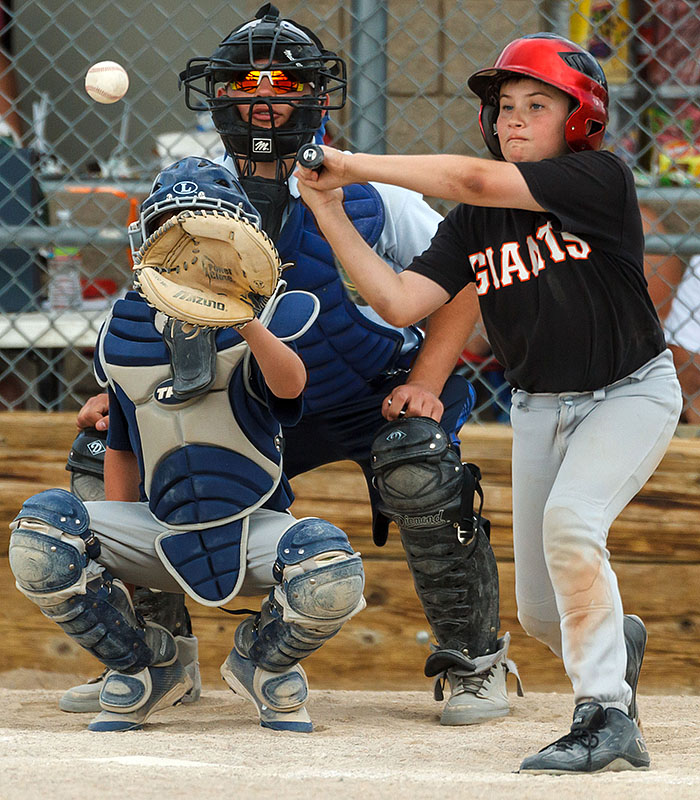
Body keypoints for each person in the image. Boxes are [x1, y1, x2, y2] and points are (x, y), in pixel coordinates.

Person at [62, 3, 514, 727]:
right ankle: (157, 657)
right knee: (101, 450)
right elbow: (151, 302)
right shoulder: (184, 196)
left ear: (316, 95)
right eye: (245, 84)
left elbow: (464, 277)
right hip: (243, 404)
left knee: (418, 460)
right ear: (216, 98)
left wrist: (426, 382)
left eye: (281, 82)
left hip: (366, 394)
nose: (263, 98)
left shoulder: (371, 193)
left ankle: (474, 662)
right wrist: (120, 396)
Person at [294, 33, 682, 773]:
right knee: (542, 615)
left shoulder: (596, 178)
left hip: (630, 391)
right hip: (541, 406)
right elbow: (402, 300)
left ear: (579, 118)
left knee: (573, 527)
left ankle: (605, 717)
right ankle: (616, 643)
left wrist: (349, 162)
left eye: (537, 106)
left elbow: (471, 179)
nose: (513, 120)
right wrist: (330, 210)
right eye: (505, 107)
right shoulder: (477, 224)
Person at [8, 170, 366, 733]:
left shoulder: (266, 319)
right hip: (159, 525)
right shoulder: (126, 331)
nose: (187, 250)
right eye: (169, 234)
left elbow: (290, 385)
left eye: (201, 237)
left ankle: (262, 663)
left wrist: (242, 318)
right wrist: (123, 574)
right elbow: (122, 446)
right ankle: (142, 666)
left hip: (252, 529)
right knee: (43, 536)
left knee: (327, 566)